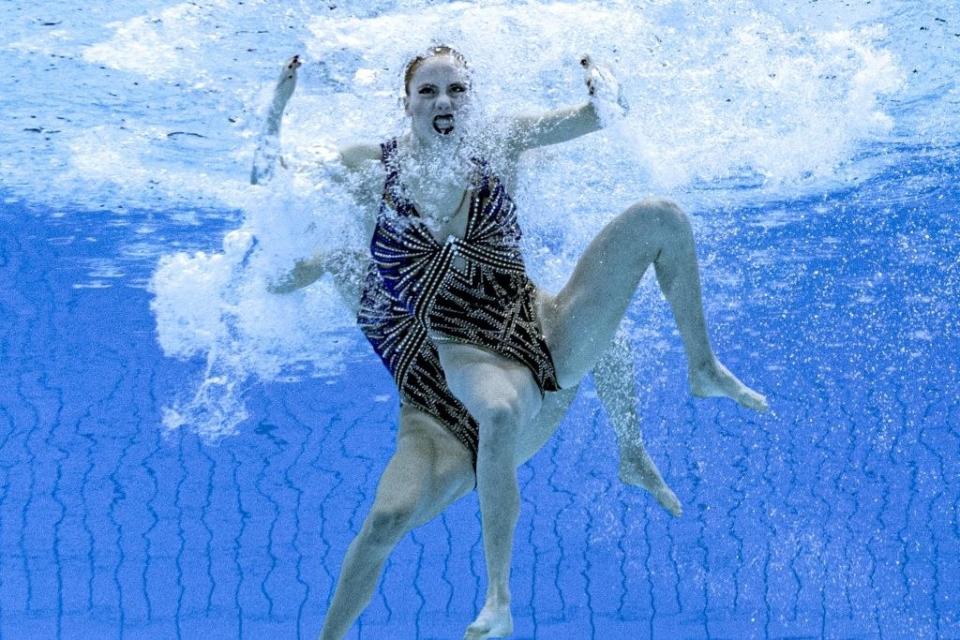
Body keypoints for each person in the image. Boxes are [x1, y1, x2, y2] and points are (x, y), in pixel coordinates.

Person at [257, 49, 766, 640]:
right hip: (439, 412)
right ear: (406, 103)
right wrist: (276, 110)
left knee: (647, 241)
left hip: (533, 349)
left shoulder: (500, 142)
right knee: (385, 521)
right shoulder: (357, 221)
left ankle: (678, 396)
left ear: (471, 97)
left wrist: (604, 82)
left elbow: (601, 115)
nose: (443, 101)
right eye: (427, 91)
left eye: (456, 89)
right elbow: (279, 196)